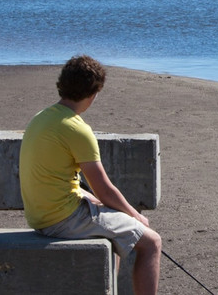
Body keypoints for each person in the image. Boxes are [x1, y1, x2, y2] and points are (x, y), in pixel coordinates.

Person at [19, 55, 161, 295]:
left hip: (39, 215)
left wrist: (87, 197)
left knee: (114, 230)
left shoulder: (42, 117)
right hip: (61, 220)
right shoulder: (77, 129)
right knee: (152, 243)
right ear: (93, 93)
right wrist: (137, 216)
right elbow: (104, 189)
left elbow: (56, 177)